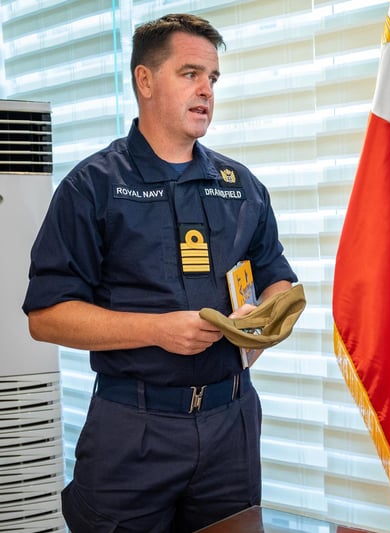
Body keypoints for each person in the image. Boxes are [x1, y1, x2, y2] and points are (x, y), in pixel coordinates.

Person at [22, 14, 297, 532]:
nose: (205, 91)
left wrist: (263, 324)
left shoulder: (242, 186)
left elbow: (276, 277)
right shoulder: (92, 187)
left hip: (231, 423)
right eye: (189, 73)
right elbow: (47, 316)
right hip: (134, 428)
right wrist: (157, 330)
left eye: (212, 78)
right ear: (144, 81)